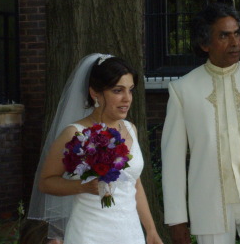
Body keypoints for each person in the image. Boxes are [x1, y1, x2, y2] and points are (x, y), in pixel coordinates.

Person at [161, 3, 240, 244]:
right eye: (224, 36)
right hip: (209, 202)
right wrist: (177, 219)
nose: (235, 42)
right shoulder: (183, 89)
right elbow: (173, 160)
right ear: (205, 44)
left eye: (236, 33)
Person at [27, 54, 163, 244]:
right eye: (118, 90)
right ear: (95, 93)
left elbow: (135, 183)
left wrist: (151, 230)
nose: (127, 99)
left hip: (130, 233)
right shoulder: (75, 133)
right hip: (90, 233)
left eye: (130, 90)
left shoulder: (130, 129)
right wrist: (81, 186)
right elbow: (46, 182)